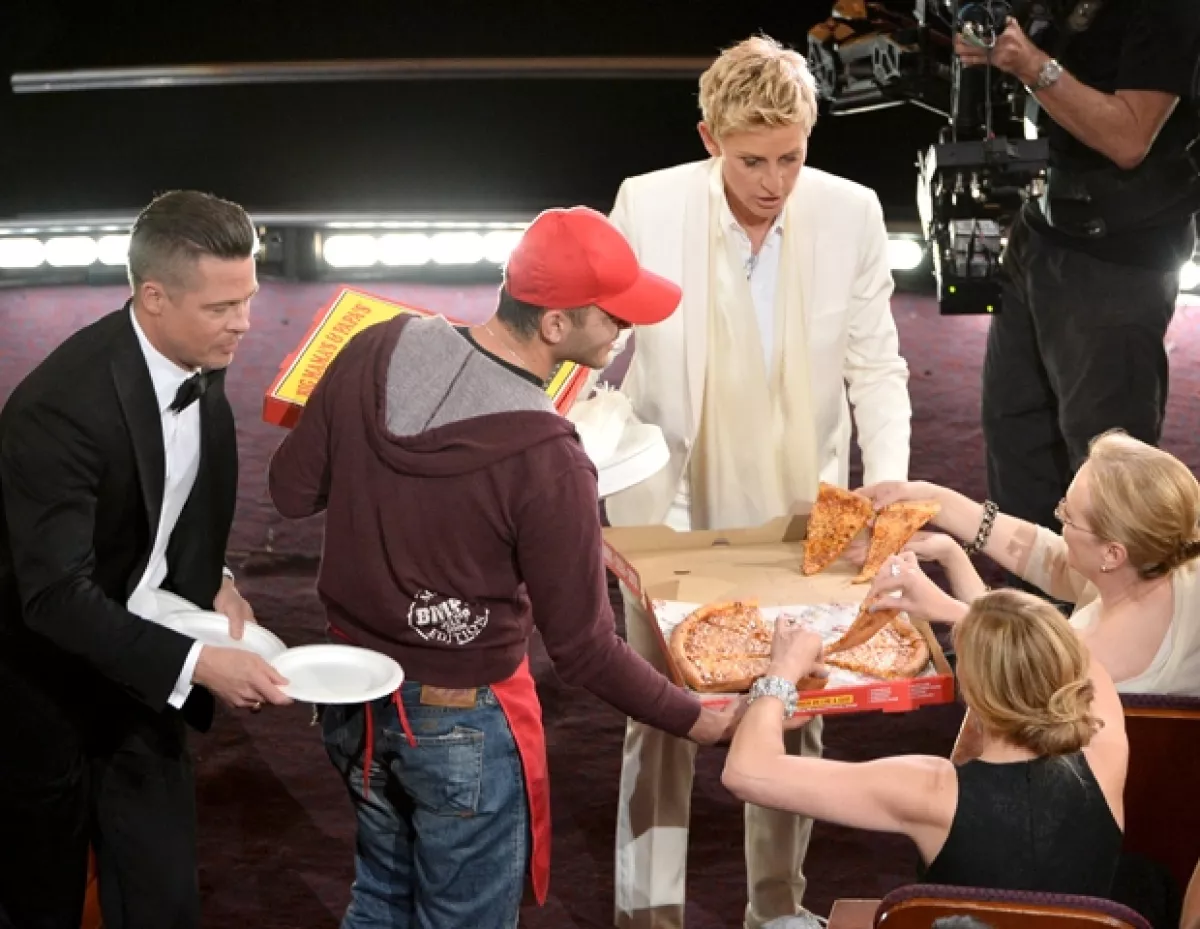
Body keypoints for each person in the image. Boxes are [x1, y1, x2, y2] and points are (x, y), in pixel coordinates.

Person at [267, 206, 754, 929]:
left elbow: (290, 491)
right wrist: (697, 720)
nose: (626, 329)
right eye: (613, 316)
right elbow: (585, 650)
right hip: (459, 721)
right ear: (554, 325)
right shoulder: (551, 458)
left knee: (379, 896)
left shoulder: (376, 344)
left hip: (353, 697)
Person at [594, 34, 912, 929]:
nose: (774, 182)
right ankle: (646, 914)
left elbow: (876, 366)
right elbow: (595, 347)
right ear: (710, 139)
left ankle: (777, 910)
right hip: (667, 509)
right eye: (752, 161)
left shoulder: (850, 212)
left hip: (801, 510)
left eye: (791, 158)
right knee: (660, 720)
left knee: (795, 710)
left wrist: (887, 484)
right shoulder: (647, 204)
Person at [0, 190, 291, 929]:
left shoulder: (198, 354)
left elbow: (173, 497)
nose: (245, 323)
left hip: (143, 661)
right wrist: (197, 664)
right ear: (154, 297)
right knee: (41, 902)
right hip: (40, 678)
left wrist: (216, 580)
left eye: (248, 299)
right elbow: (54, 597)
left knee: (163, 899)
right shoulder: (58, 408)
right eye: (223, 306)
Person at [955, 3, 1200, 533]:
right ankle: (1031, 586)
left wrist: (1028, 63)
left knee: (1108, 478)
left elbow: (1128, 138)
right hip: (1040, 229)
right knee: (1015, 436)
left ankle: (1111, 590)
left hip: (1115, 256)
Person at [723, 588, 1128, 897]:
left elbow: (747, 772)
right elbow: (1077, 655)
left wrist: (782, 671)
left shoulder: (931, 790)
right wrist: (980, 622)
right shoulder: (1107, 758)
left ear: (971, 688)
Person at [860, 431, 1200, 696]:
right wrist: (937, 504)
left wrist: (946, 608)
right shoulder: (1154, 561)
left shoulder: (1100, 653)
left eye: (1068, 516)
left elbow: (1014, 663)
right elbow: (1051, 560)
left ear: (1112, 554)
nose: (1059, 520)